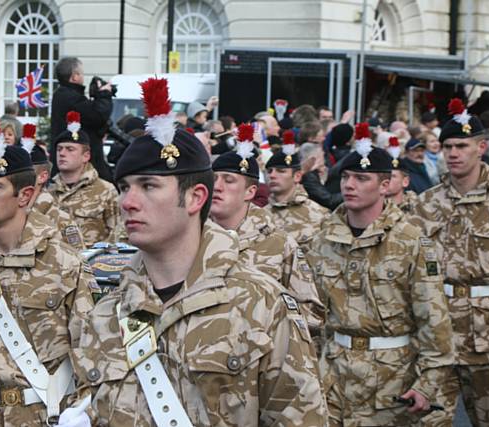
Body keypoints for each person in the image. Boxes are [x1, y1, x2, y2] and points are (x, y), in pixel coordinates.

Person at [65, 77, 326, 426]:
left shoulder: (259, 303)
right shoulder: (108, 313)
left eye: (149, 186)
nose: (128, 201)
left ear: (195, 197)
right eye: (124, 187)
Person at [0, 120, 97, 424]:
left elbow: (92, 350)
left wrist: (84, 412)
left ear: (25, 196)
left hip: (48, 414)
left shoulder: (64, 264)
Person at [306, 129, 454, 426]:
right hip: (333, 377)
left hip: (391, 381)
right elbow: (313, 316)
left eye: (361, 179)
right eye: (346, 177)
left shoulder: (411, 241)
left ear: (385, 185)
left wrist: (428, 382)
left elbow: (433, 319)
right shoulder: (323, 239)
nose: (349, 185)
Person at [410, 98, 489, 426]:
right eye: (447, 146)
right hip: (438, 336)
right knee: (428, 422)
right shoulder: (426, 204)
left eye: (462, 145)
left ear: (481, 147)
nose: (453, 153)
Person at [210, 124, 324, 335]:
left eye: (229, 180)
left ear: (250, 191)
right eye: (214, 178)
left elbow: (308, 316)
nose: (217, 186)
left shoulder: (278, 244)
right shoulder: (192, 238)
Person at [50, 111, 119, 245]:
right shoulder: (48, 191)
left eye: (70, 149)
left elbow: (118, 234)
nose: (62, 154)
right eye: (59, 149)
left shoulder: (106, 191)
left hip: (93, 262)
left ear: (85, 156)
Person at [20, 122, 86, 251]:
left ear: (42, 176)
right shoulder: (5, 216)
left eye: (24, 172)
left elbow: (80, 261)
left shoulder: (60, 219)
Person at [50, 57, 113, 182]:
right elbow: (98, 116)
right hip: (80, 166)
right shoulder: (70, 97)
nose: (83, 78)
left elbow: (90, 120)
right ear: (74, 77)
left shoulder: (64, 95)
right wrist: (104, 95)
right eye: (81, 74)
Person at [265, 130, 328, 246]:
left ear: (297, 176)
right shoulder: (260, 216)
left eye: (281, 171)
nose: (272, 175)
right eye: (269, 171)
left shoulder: (319, 215)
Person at [385, 137, 418, 215]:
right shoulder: (372, 207)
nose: (386, 179)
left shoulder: (418, 207)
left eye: (392, 176)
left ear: (405, 181)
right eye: (384, 176)